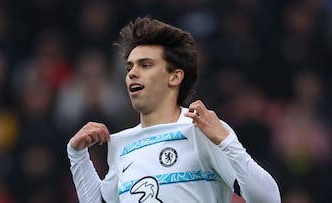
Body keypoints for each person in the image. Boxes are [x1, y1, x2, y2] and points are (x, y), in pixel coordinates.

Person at [67, 17, 281, 203]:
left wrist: (227, 142)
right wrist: (77, 156)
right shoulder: (122, 143)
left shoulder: (201, 131)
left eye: (145, 65)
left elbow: (269, 199)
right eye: (129, 67)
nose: (132, 73)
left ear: (175, 77)